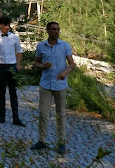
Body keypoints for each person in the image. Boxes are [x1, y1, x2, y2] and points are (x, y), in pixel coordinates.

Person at [30, 21, 76, 155]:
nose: (57, 31)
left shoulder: (65, 46)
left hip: (60, 85)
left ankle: (61, 143)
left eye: (58, 29)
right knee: (43, 114)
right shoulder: (41, 46)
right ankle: (42, 141)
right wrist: (42, 66)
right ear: (48, 31)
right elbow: (35, 63)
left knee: (60, 114)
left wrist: (64, 73)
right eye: (54, 29)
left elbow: (72, 65)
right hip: (45, 84)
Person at [0, 16, 25, 126]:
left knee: (13, 92)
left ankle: (16, 118)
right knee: (1, 92)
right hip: (0, 66)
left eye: (9, 25)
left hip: (12, 66)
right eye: (5, 25)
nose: (8, 27)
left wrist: (18, 64)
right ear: (0, 25)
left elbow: (19, 51)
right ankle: (2, 116)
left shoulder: (14, 37)